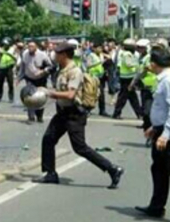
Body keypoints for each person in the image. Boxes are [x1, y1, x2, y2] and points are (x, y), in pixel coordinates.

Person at [33, 42, 125, 188]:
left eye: (57, 53)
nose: (54, 56)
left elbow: (70, 94)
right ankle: (50, 173)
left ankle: (112, 169)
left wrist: (49, 92)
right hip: (62, 113)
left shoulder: (75, 71)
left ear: (64, 55)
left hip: (74, 114)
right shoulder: (61, 69)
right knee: (48, 139)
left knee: (80, 147)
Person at [135, 48, 170, 218]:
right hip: (161, 129)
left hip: (167, 133)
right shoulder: (163, 79)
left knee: (163, 169)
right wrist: (155, 127)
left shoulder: (168, 80)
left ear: (154, 64)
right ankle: (156, 206)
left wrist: (165, 134)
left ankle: (157, 205)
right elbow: (162, 108)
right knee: (159, 169)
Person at [18, 40, 52, 123]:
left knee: (40, 97)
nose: (30, 48)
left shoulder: (42, 55)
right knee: (29, 96)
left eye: (32, 46)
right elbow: (23, 66)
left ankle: (39, 116)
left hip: (40, 79)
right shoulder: (25, 54)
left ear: (36, 47)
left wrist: (43, 71)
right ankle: (31, 117)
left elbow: (51, 66)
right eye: (29, 46)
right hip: (29, 78)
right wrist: (19, 77)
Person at [113, 38, 143, 120]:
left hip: (127, 77)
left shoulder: (125, 53)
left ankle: (139, 113)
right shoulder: (127, 54)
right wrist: (138, 64)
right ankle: (117, 113)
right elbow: (129, 64)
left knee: (131, 97)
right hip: (127, 78)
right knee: (124, 97)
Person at [131, 39, 155, 133]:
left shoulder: (150, 57)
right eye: (139, 47)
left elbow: (144, 70)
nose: (140, 49)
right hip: (144, 85)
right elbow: (139, 71)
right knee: (146, 110)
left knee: (150, 110)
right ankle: (147, 127)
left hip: (153, 86)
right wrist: (134, 82)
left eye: (142, 48)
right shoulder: (141, 57)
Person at [86, 42, 110, 117]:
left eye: (101, 48)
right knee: (93, 94)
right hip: (93, 77)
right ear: (94, 48)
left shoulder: (101, 55)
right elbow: (88, 65)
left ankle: (102, 110)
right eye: (98, 48)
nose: (100, 49)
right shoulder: (91, 55)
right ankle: (87, 109)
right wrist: (99, 63)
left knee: (101, 95)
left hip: (101, 77)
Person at [0, 38, 17, 102]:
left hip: (9, 68)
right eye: (4, 44)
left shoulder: (12, 49)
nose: (5, 45)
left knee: (10, 83)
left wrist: (8, 53)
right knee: (0, 83)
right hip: (2, 68)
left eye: (6, 44)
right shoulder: (0, 50)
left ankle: (11, 97)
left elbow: (15, 58)